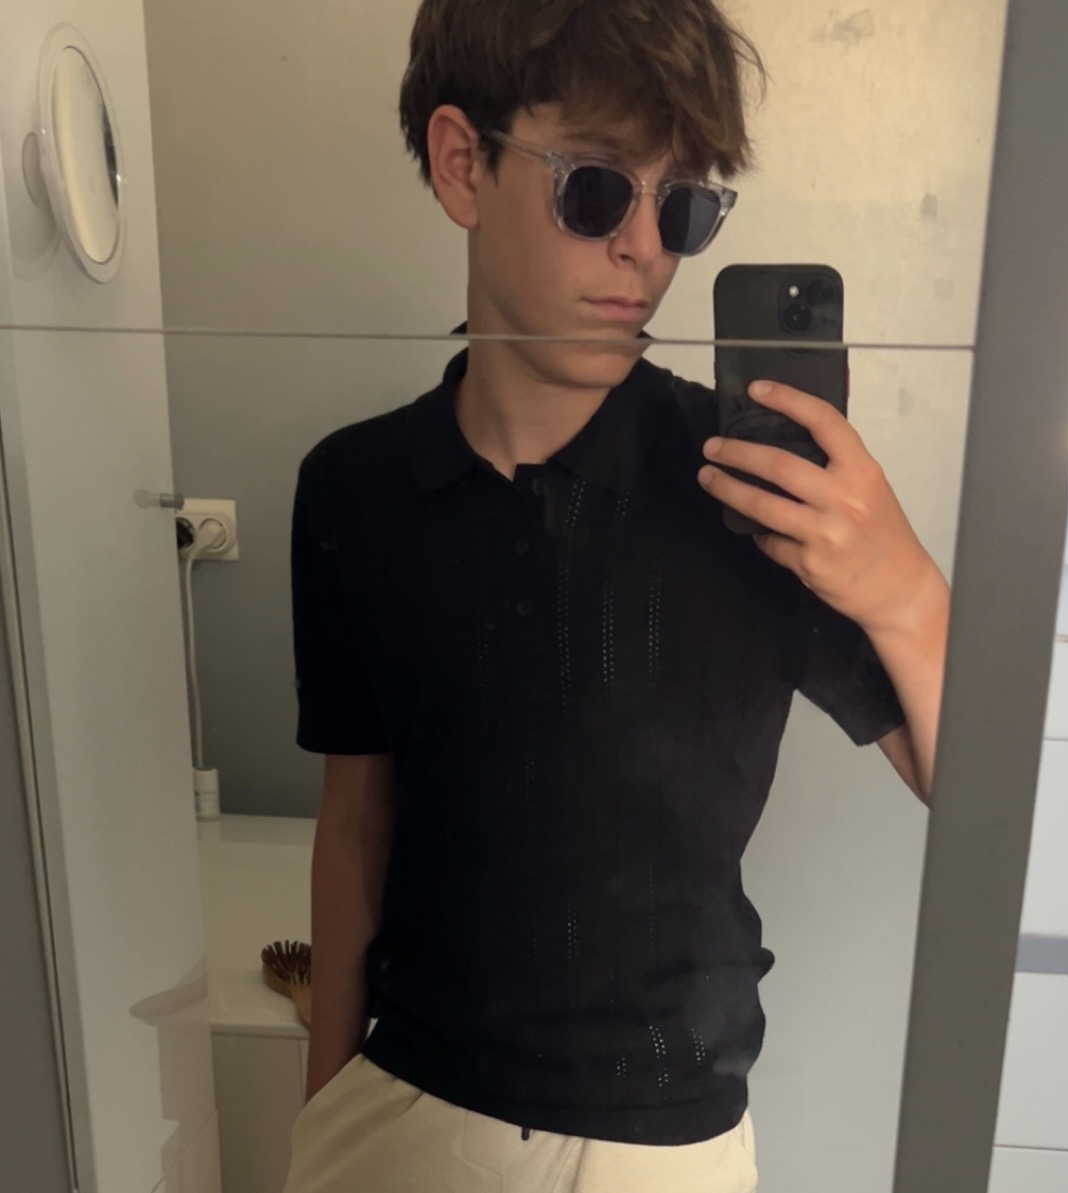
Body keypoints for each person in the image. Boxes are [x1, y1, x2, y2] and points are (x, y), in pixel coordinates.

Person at [283, 1, 950, 1190]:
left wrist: (906, 589)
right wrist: (324, 1099)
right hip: (402, 1106)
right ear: (462, 164)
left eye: (680, 205)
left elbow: (978, 801)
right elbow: (356, 823)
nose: (645, 248)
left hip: (666, 1138)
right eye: (595, 190)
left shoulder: (750, 489)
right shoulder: (355, 488)